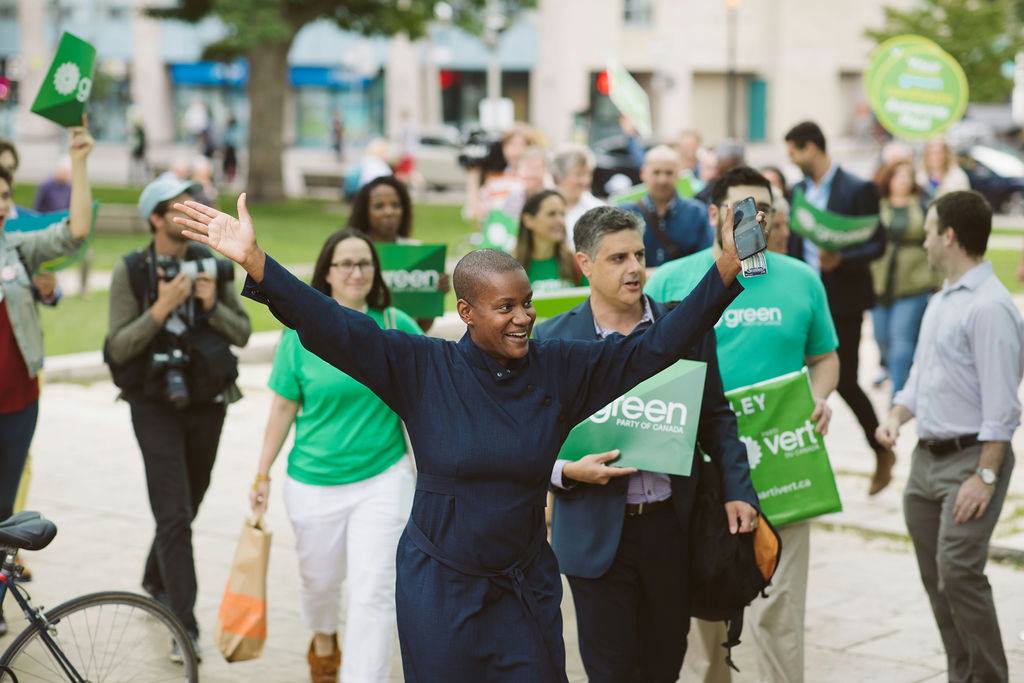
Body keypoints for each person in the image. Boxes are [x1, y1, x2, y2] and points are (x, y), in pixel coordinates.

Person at [172, 192, 748, 681]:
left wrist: (724, 272)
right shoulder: (423, 369)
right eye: (505, 308)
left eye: (525, 304)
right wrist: (256, 261)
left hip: (525, 588)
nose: (522, 317)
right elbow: (334, 328)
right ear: (466, 311)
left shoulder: (560, 369)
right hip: (440, 589)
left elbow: (654, 349)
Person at [535, 206, 759, 682]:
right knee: (609, 671)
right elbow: (529, 440)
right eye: (617, 258)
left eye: (639, 254)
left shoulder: (683, 326)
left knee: (663, 666)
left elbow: (716, 415)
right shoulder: (553, 341)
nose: (635, 268)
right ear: (584, 264)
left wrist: (739, 489)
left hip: (670, 529)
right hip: (594, 535)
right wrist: (565, 472)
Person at [646, 166, 840, 683]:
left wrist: (819, 397)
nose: (754, 222)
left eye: (763, 213)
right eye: (740, 213)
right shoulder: (670, 281)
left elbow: (825, 357)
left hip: (784, 463)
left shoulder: (802, 279)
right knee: (705, 609)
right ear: (713, 214)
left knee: (780, 609)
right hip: (704, 473)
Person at [253, 228, 418, 682]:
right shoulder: (300, 336)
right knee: (320, 583)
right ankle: (323, 636)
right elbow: (284, 405)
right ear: (327, 272)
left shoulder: (394, 324)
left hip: (383, 478)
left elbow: (419, 402)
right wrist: (261, 472)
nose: (356, 271)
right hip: (312, 482)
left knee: (374, 594)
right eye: (346, 263)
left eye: (364, 263)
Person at [876, 190, 1022, 683]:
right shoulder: (941, 301)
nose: (924, 238)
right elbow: (920, 378)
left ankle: (990, 677)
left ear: (949, 236)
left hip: (970, 461)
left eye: (929, 229)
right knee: (936, 579)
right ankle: (962, 673)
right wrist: (897, 416)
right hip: (926, 461)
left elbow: (1004, 408)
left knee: (959, 571)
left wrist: (985, 474)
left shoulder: (990, 308)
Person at [104, 174, 251, 659]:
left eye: (194, 205)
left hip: (207, 401)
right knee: (174, 515)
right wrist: (160, 309)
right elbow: (117, 347)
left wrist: (209, 306)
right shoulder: (132, 271)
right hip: (153, 405)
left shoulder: (213, 264)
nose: (190, 213)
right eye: (176, 207)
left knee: (188, 503)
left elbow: (244, 333)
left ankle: (153, 576)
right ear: (154, 218)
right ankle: (182, 624)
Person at [0, 124, 95, 635]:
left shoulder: (16, 246)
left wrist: (77, 162)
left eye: (4, 197)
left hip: (18, 403)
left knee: (4, 511)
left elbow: (75, 230)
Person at [784, 120, 892, 495]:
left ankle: (880, 447)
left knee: (843, 379)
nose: (792, 160)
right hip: (805, 300)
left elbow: (877, 243)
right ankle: (798, 461)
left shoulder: (858, 189)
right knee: (797, 382)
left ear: (810, 148)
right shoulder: (797, 191)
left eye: (794, 152)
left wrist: (842, 259)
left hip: (843, 300)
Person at [345, 175, 450, 331]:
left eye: (396, 205)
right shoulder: (349, 252)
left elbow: (420, 330)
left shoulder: (417, 252)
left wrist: (433, 297)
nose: (389, 212)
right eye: (379, 206)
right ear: (365, 211)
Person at [870, 161, 939, 398]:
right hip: (880, 283)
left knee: (901, 341)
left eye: (907, 176)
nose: (903, 181)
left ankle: (899, 396)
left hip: (913, 283)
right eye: (898, 176)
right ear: (888, 179)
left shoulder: (921, 206)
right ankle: (899, 376)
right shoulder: (877, 206)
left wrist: (937, 280)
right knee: (881, 337)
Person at [621, 145, 712, 268]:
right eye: (656, 172)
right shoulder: (626, 214)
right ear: (643, 173)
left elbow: (705, 261)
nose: (662, 180)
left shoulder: (697, 213)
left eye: (669, 173)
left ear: (678, 175)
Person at [513, 190, 583, 292]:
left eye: (562, 214)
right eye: (551, 214)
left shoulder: (577, 263)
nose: (560, 221)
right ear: (528, 220)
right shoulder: (510, 268)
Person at [551, 143, 604, 249]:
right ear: (559, 176)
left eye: (588, 174)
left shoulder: (597, 210)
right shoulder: (541, 204)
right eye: (579, 174)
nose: (586, 180)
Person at [503, 146, 550, 218]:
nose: (531, 174)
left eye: (537, 168)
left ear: (545, 171)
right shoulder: (514, 196)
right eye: (528, 168)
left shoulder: (552, 197)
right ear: (519, 171)